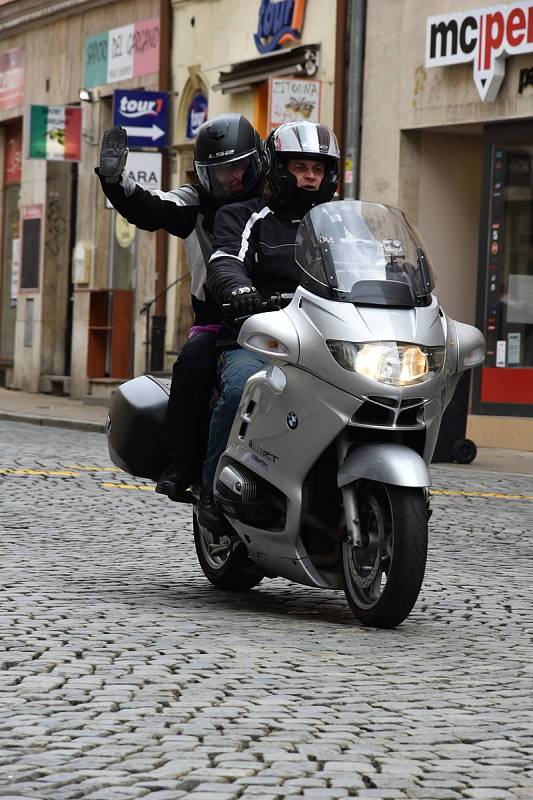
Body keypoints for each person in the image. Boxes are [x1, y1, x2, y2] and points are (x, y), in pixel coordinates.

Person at [96, 114, 264, 499]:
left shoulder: (273, 202)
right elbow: (150, 206)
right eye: (221, 172)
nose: (233, 178)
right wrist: (115, 182)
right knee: (192, 364)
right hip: (218, 321)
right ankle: (181, 463)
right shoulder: (193, 202)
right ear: (206, 175)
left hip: (282, 318)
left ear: (255, 162)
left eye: (238, 168)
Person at [200, 120, 340, 530]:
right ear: (279, 170)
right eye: (301, 167)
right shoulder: (246, 215)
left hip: (324, 342)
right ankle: (212, 493)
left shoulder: (340, 223)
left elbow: (372, 268)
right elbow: (225, 260)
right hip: (261, 339)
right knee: (241, 388)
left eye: (318, 169)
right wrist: (239, 289)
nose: (310, 177)